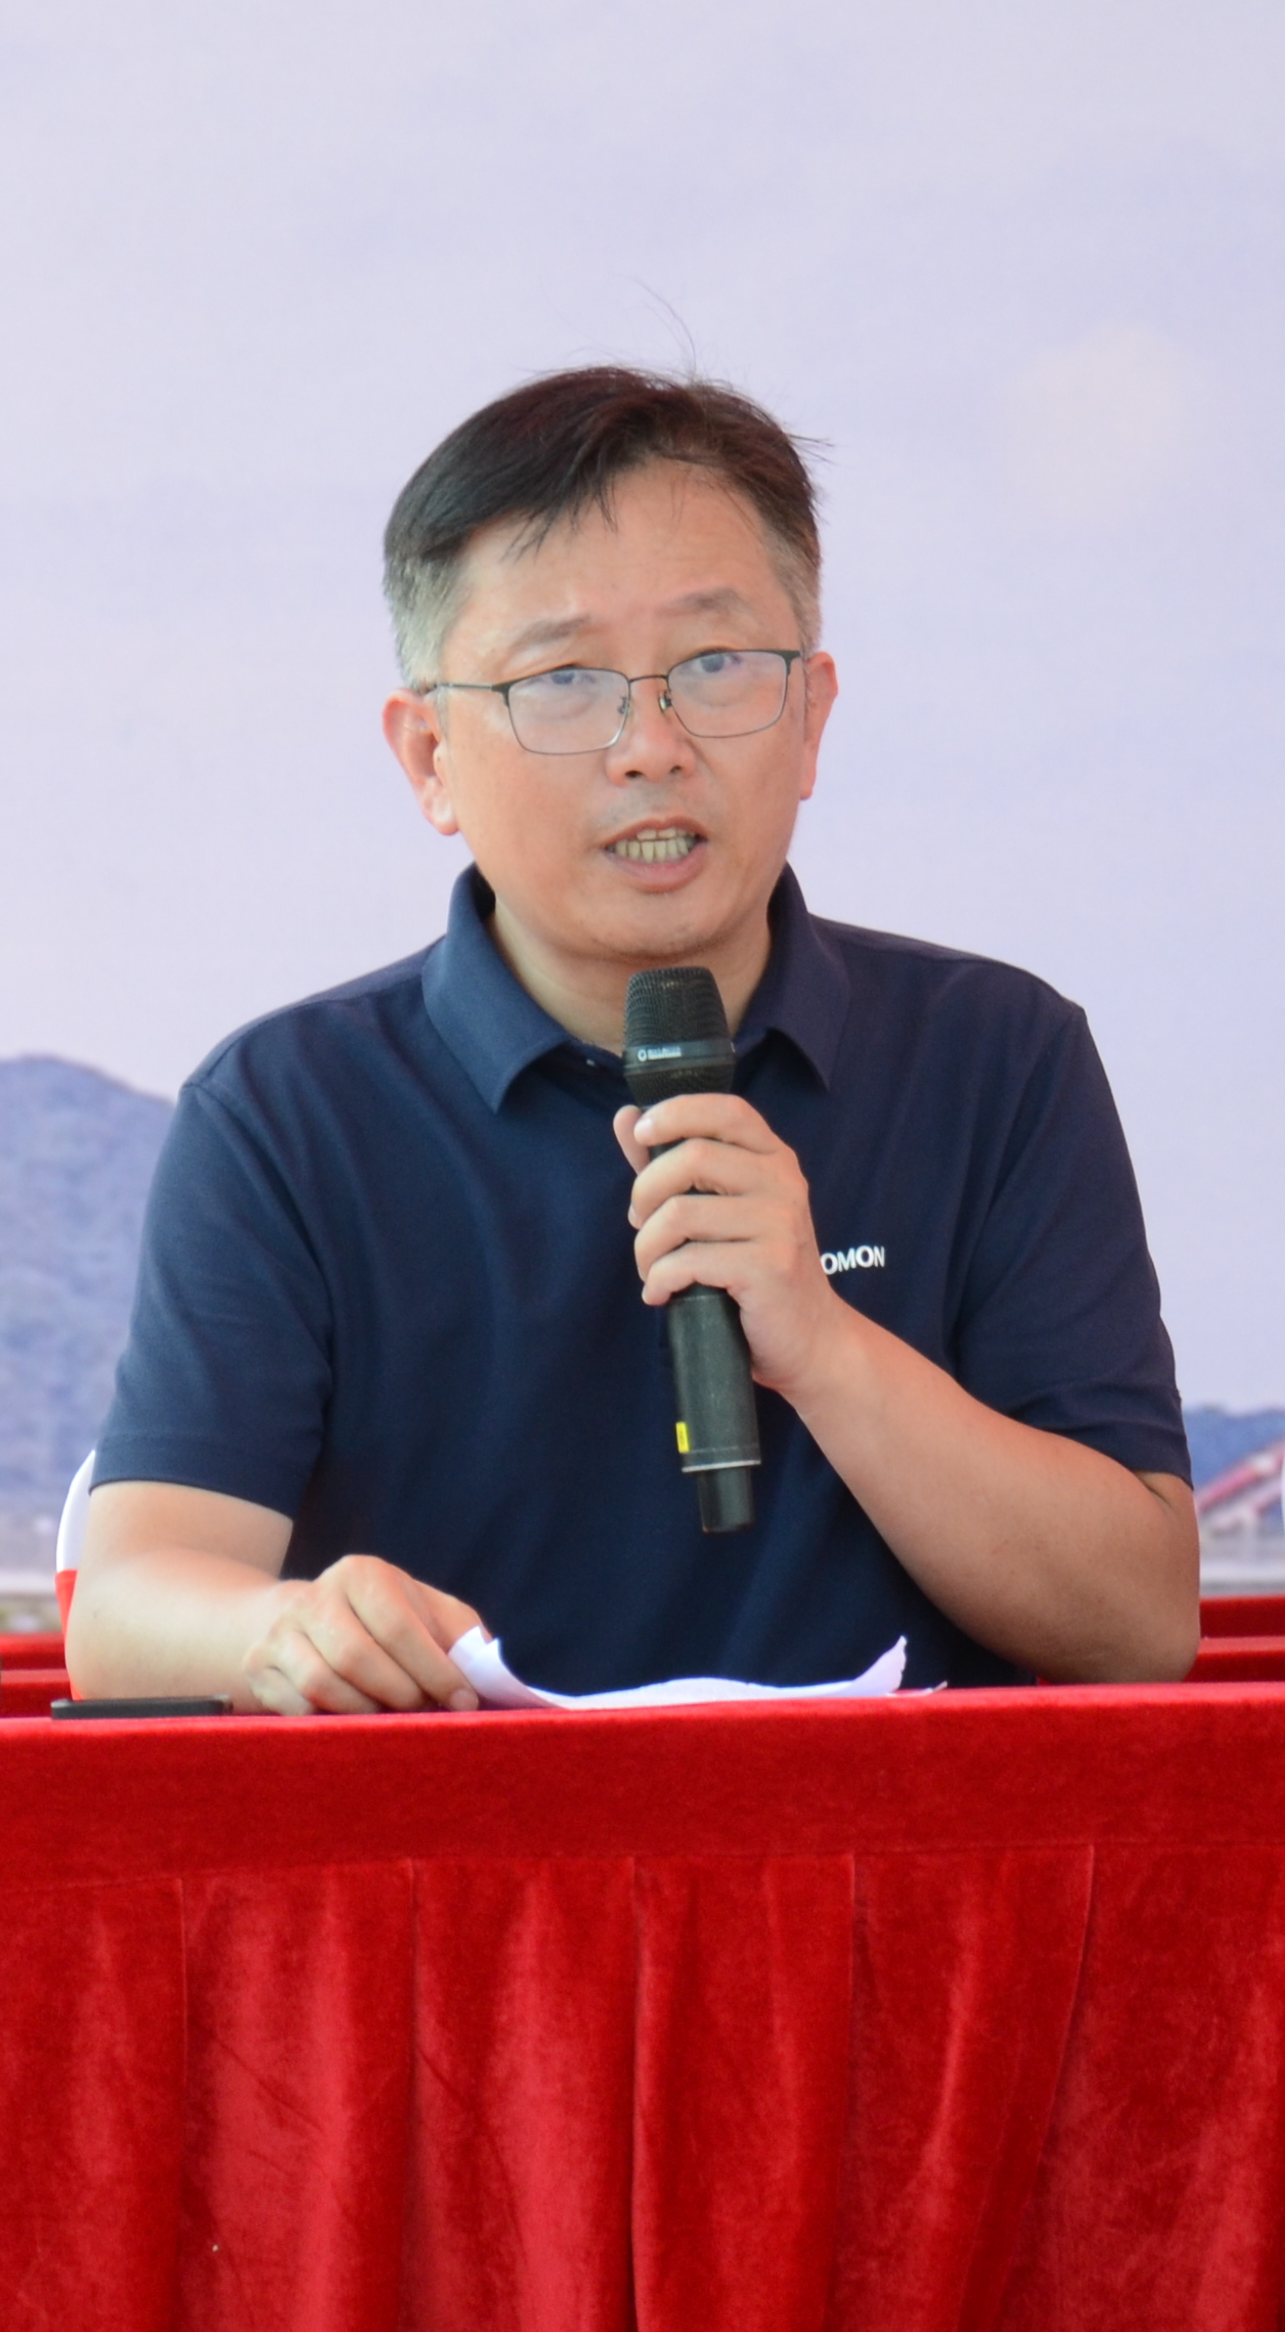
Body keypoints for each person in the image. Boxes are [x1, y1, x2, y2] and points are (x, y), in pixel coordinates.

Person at [64, 366, 1198, 1710]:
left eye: (715, 666)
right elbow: (130, 1607)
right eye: (562, 680)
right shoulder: (287, 1112)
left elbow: (1138, 1625)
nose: (650, 744)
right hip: (462, 1839)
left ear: (812, 716)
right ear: (429, 757)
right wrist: (282, 1629)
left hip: (891, 1837)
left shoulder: (995, 1059)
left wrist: (823, 1344)